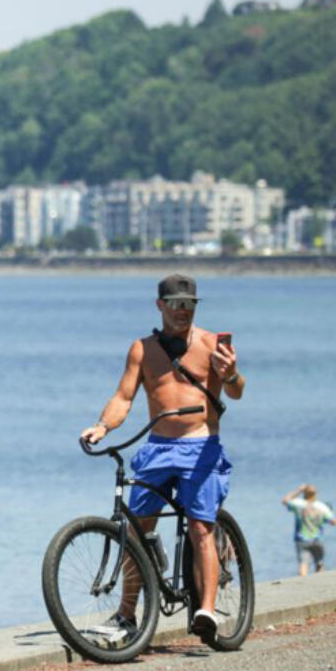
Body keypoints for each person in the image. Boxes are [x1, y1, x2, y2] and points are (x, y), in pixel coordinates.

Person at [79, 273, 245, 646]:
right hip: (157, 448)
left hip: (199, 447)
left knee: (202, 527)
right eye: (175, 304)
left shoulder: (209, 344)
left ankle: (206, 610)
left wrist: (230, 372)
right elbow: (124, 397)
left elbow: (236, 391)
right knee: (136, 529)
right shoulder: (143, 349)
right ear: (160, 306)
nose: (182, 311)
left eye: (189, 304)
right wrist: (102, 426)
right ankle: (127, 615)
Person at [281, 483, 336, 576]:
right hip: (317, 540)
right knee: (319, 563)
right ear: (316, 494)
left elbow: (284, 500)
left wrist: (298, 490)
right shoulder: (322, 507)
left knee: (303, 563)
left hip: (301, 540)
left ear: (304, 493)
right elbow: (334, 522)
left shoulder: (298, 504)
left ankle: (302, 583)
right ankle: (320, 581)